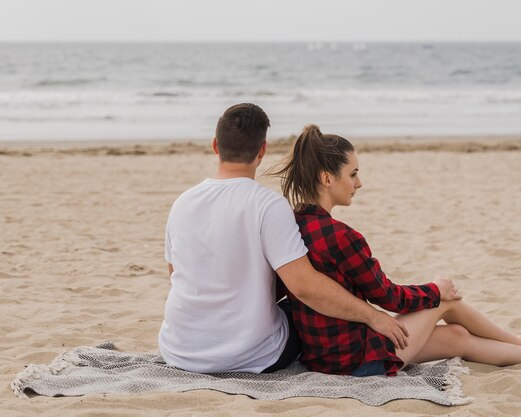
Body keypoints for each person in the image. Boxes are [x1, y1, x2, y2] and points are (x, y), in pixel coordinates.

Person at [271, 124, 521, 377]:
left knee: (455, 336)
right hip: (355, 359)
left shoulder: (291, 226)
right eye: (353, 174)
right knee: (446, 299)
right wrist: (435, 289)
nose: (359, 183)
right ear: (327, 178)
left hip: (322, 356)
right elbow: (389, 297)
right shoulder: (343, 236)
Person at [158, 103, 410, 374]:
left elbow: (175, 273)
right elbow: (304, 286)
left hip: (179, 350)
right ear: (262, 151)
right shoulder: (268, 205)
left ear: (215, 145)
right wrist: (373, 316)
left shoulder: (182, 203)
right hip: (250, 356)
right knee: (303, 308)